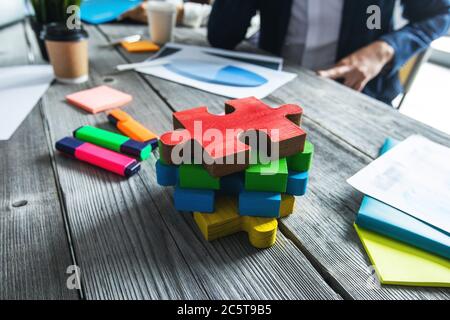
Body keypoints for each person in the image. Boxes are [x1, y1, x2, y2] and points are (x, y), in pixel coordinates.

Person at [207, 0, 450, 104]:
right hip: (268, 90)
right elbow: (221, 36)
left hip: (355, 95)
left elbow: (442, 13)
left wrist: (387, 48)